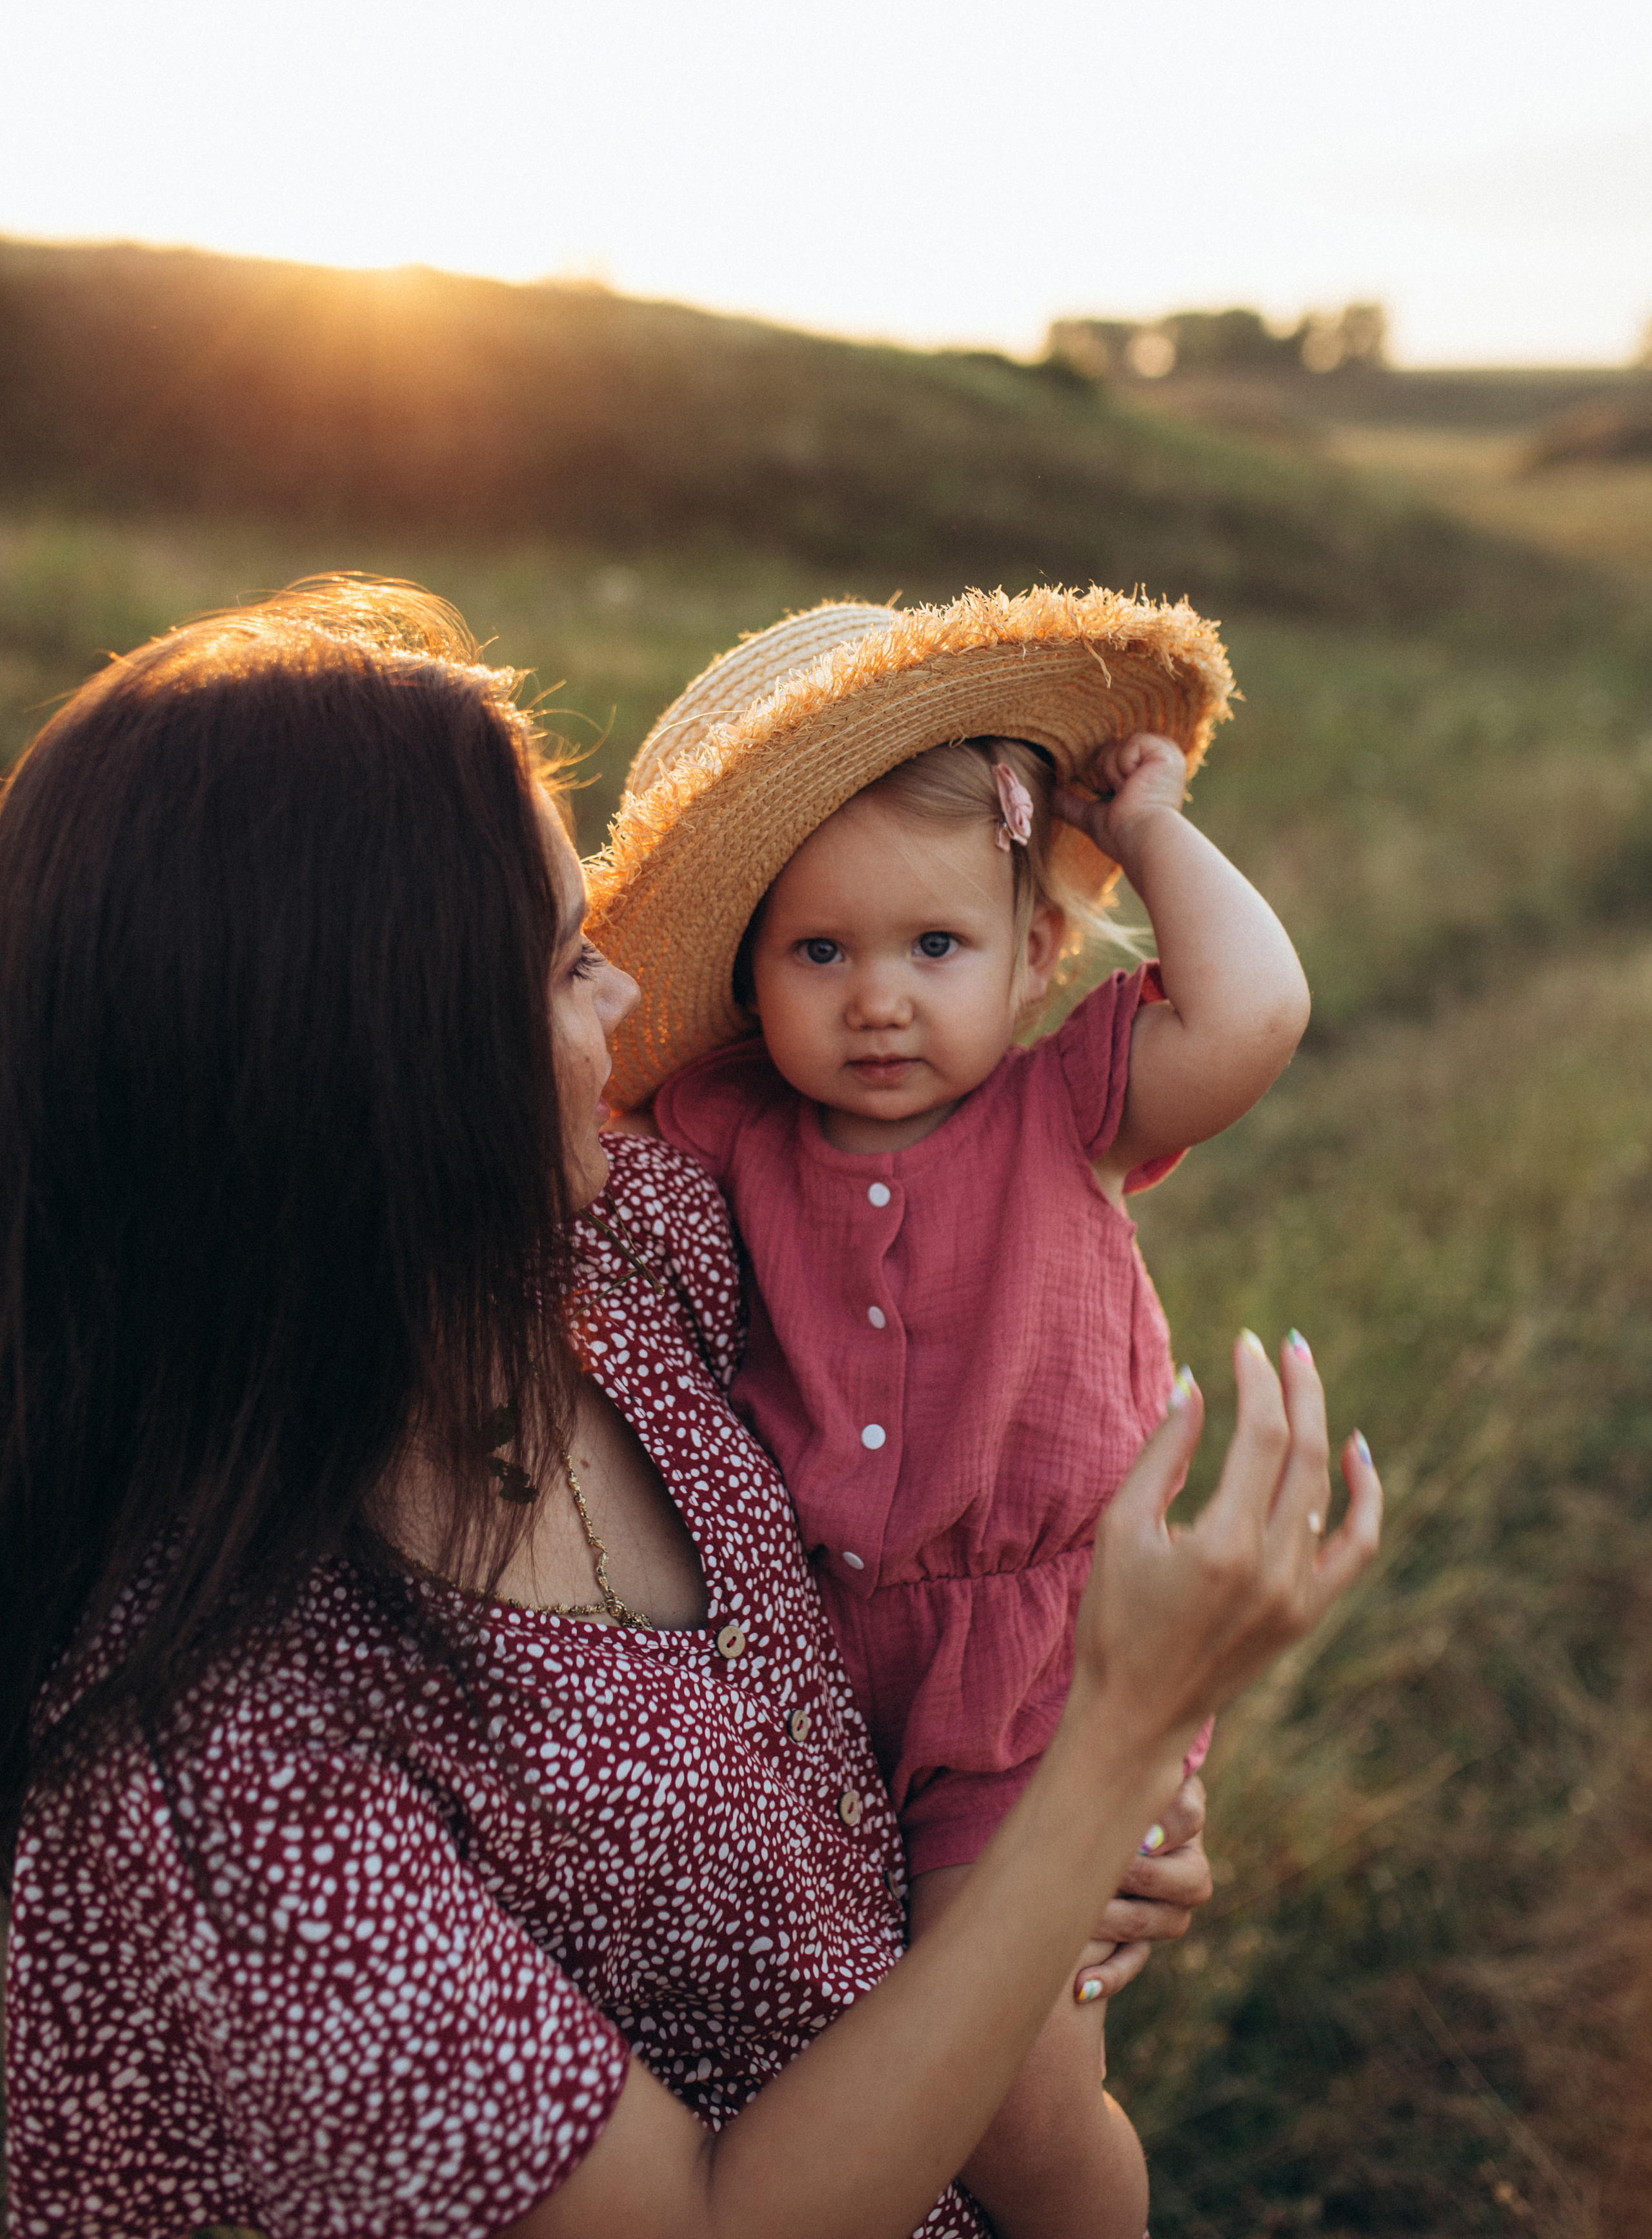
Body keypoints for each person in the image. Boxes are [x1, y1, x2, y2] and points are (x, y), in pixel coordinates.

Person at [0, 581, 1380, 2239]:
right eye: (571, 961)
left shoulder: (629, 1249)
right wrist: (1116, 1740)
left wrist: (1058, 1836)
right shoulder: (219, 1791)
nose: (626, 1011)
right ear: (383, 1068)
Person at [587, 589, 1313, 2238]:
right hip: (825, 1683)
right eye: (817, 954)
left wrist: (1143, 828)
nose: (878, 1003)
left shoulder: (1066, 1105)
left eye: (936, 947)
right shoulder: (725, 1131)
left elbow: (1257, 1014)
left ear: (1034, 953)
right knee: (865, 2048)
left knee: (1020, 2098)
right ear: (751, 975)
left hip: (1033, 1675)